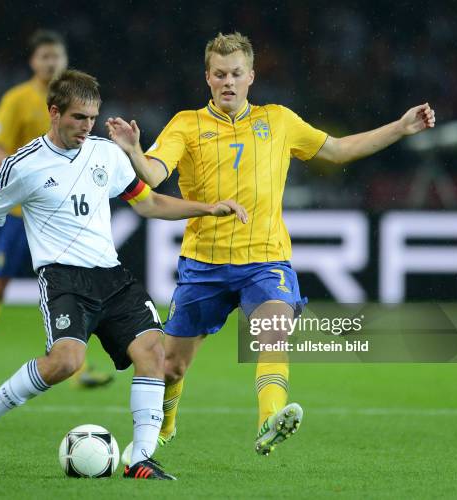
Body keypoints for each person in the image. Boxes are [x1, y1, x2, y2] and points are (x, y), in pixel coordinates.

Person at [106, 32, 436, 456]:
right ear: (207, 77)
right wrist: (134, 151)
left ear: (251, 77)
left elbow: (336, 151)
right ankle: (165, 427)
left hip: (266, 261)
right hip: (203, 264)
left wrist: (401, 127)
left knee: (273, 335)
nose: (228, 81)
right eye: (220, 74)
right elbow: (152, 177)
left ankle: (270, 420)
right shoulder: (185, 125)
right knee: (171, 367)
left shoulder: (278, 120)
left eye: (236, 74)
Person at [0, 69, 247, 480]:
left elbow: (148, 205)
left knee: (154, 352)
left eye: (93, 118)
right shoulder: (23, 165)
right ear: (54, 113)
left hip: (110, 275)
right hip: (63, 279)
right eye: (79, 117)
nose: (87, 127)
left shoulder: (106, 154)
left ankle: (141, 458)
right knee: (66, 362)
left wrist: (206, 207)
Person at [0, 30, 112, 390]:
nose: (51, 63)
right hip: (19, 215)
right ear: (33, 61)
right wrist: (21, 172)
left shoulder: (75, 101)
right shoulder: (18, 99)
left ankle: (79, 367)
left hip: (59, 216)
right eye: (44, 57)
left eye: (56, 57)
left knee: (76, 288)